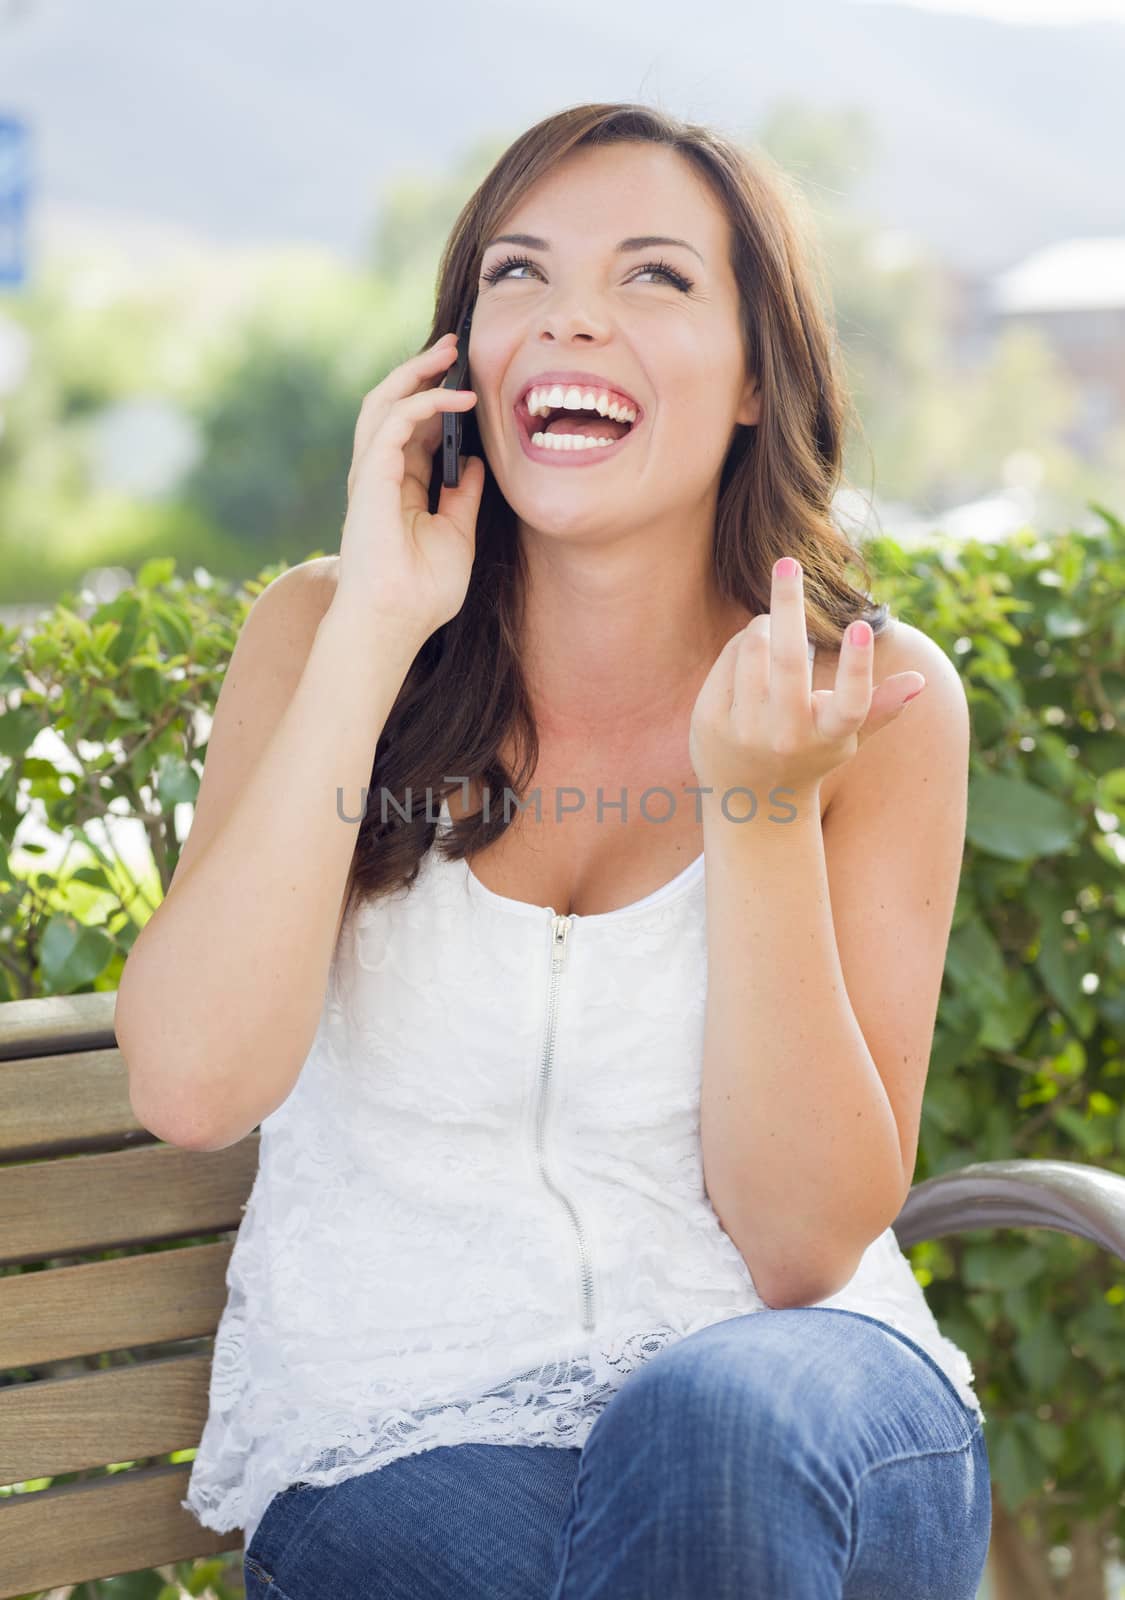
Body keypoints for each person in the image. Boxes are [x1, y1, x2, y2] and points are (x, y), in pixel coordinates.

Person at [116, 101, 991, 1599]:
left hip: (799, 1410)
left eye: (653, 277)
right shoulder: (324, 637)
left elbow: (797, 1250)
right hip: (399, 1436)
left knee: (708, 1428)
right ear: (460, 357)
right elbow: (193, 1086)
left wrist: (760, 812)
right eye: (517, 275)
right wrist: (381, 622)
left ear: (747, 379)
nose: (570, 313)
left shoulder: (869, 702)